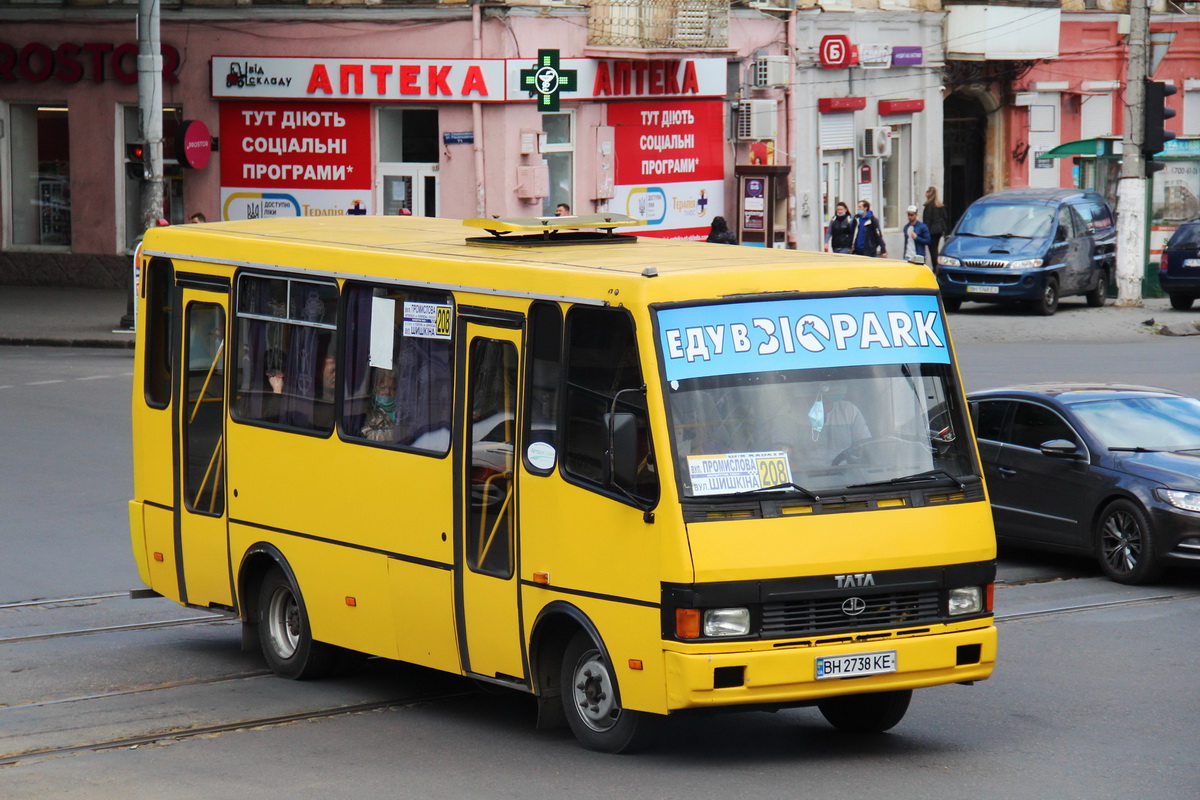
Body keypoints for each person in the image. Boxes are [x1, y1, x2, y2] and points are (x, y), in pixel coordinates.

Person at [361, 369, 397, 442]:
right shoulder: (369, 409)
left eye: (393, 388)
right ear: (374, 389)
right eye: (382, 387)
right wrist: (399, 433)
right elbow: (367, 434)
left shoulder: (404, 410)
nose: (387, 392)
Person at [923, 186, 951, 269]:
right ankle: (937, 267)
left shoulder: (929, 206)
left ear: (929, 193)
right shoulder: (939, 205)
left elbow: (927, 220)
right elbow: (945, 217)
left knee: (933, 250)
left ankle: (936, 268)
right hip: (939, 230)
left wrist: (925, 232)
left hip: (932, 230)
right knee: (935, 249)